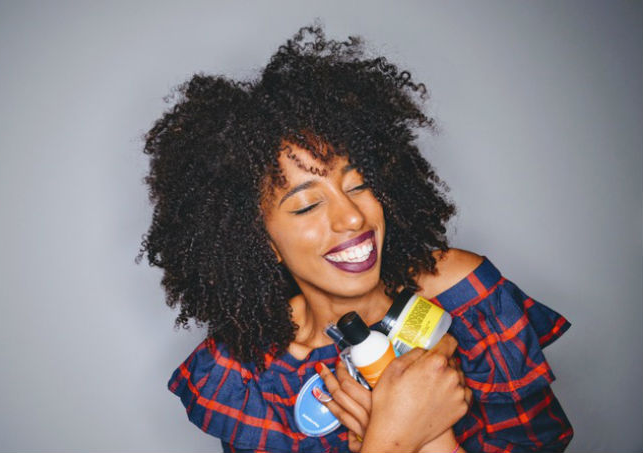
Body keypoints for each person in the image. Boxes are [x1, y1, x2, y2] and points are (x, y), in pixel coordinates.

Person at [141, 25, 573, 452]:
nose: (352, 217)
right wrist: (399, 434)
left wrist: (428, 431)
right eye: (308, 205)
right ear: (260, 241)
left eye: (359, 184)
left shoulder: (467, 298)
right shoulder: (246, 375)